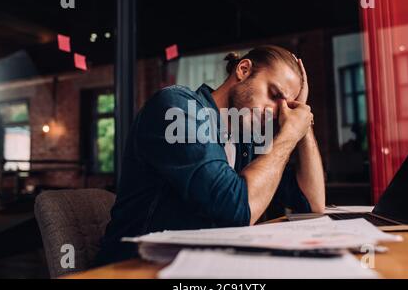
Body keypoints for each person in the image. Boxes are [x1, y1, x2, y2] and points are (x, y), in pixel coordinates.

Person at [96, 45, 325, 265]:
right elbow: (237, 209)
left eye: (287, 106)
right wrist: (289, 135)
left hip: (198, 266)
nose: (278, 112)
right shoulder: (177, 109)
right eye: (274, 95)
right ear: (243, 70)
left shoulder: (247, 136)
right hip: (132, 269)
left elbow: (313, 203)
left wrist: (303, 122)